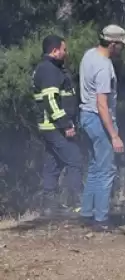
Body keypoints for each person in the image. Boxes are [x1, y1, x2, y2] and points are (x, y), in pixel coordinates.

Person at [79, 24, 125, 232]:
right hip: (99, 119)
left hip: (86, 116)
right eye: (121, 45)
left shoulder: (88, 55)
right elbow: (102, 104)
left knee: (95, 167)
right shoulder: (104, 66)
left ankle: (87, 213)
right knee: (106, 169)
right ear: (112, 44)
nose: (122, 49)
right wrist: (114, 135)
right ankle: (101, 219)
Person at [32, 34, 83, 217]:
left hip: (50, 127)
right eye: (64, 49)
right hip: (55, 127)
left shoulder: (51, 69)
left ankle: (49, 206)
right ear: (55, 51)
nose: (66, 53)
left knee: (52, 164)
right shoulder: (49, 70)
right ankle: (77, 204)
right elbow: (51, 100)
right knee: (75, 159)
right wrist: (65, 124)